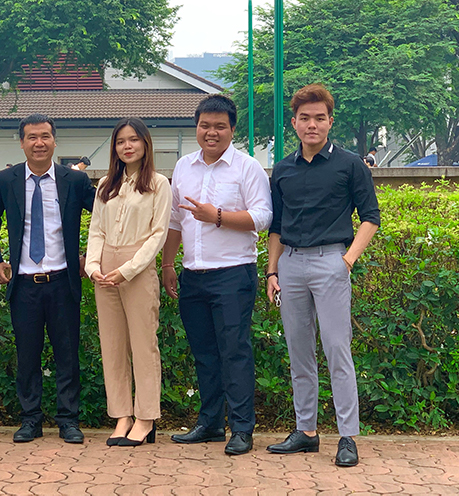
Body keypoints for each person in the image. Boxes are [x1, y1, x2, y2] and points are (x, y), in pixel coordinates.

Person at [265, 84, 380, 467]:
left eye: (319, 118)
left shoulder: (350, 165)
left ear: (330, 121)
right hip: (291, 265)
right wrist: (272, 270)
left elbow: (370, 218)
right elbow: (277, 226)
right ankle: (306, 431)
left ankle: (347, 436)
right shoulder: (282, 169)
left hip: (332, 261)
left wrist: (347, 260)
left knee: (336, 349)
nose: (311, 125)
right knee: (299, 352)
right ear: (293, 123)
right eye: (304, 118)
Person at [162, 95, 272, 456]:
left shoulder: (247, 167)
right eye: (205, 125)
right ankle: (209, 423)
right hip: (193, 275)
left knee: (234, 352)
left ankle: (241, 428)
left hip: (232, 274)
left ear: (232, 129)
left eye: (219, 126)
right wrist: (168, 265)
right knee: (205, 353)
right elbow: (176, 221)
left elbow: (262, 218)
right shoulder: (183, 167)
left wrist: (218, 216)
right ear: (197, 127)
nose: (211, 132)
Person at [0, 113, 96, 444]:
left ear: (54, 140)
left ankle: (68, 419)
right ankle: (30, 419)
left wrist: (90, 256)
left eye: (45, 136)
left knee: (67, 354)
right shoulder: (6, 181)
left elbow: (108, 219)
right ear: (21, 142)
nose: (39, 142)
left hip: (63, 281)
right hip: (24, 284)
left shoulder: (74, 181)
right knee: (28, 355)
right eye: (32, 137)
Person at [85, 118, 171, 447]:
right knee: (113, 346)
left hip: (137, 269)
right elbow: (97, 230)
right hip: (104, 270)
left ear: (146, 144)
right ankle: (121, 415)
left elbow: (158, 235)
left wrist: (129, 269)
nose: (127, 146)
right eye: (121, 141)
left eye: (134, 140)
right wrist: (93, 265)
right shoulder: (106, 184)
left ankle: (146, 417)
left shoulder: (159, 184)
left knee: (143, 346)